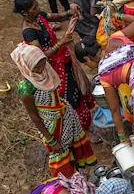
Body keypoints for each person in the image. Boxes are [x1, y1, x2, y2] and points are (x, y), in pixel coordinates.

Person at [12, 42, 96, 177]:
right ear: (27, 66)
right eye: (36, 67)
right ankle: (71, 184)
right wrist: (51, 140)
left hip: (66, 116)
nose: (41, 69)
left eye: (42, 64)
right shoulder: (26, 87)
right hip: (51, 126)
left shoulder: (46, 71)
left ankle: (80, 177)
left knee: (73, 148)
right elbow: (35, 117)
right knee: (61, 153)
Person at [15, 0, 95, 129]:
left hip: (62, 59)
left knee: (76, 89)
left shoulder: (38, 16)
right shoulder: (29, 31)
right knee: (69, 96)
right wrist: (61, 42)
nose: (38, 9)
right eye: (34, 8)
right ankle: (79, 128)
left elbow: (57, 16)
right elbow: (41, 56)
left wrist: (71, 12)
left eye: (37, 6)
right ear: (24, 12)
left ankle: (84, 124)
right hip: (53, 67)